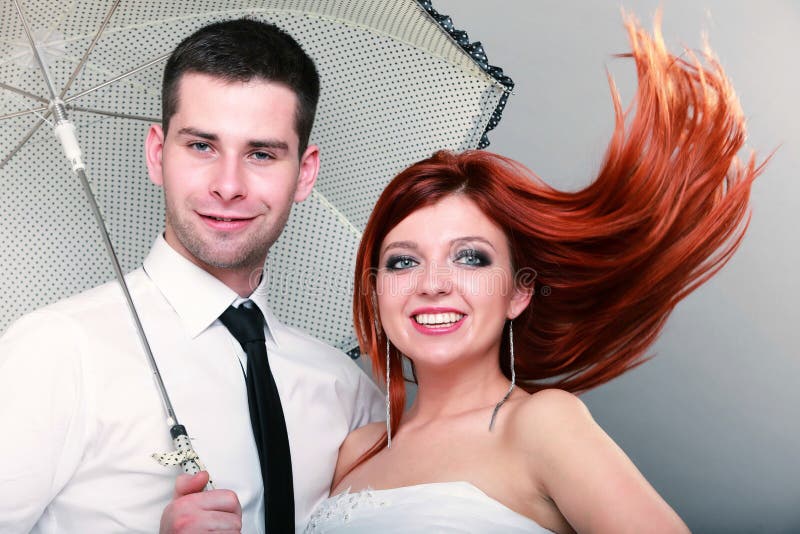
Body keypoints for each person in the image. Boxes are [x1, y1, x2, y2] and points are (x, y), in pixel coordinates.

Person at [300, 15, 765, 533]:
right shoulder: (356, 451)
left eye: (470, 257)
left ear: (520, 294)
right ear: (375, 289)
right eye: (403, 261)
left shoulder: (542, 424)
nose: (431, 283)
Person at [0, 18, 383, 534]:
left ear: (305, 172)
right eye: (201, 146)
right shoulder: (58, 351)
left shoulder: (345, 391)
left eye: (261, 154)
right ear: (158, 153)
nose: (228, 186)